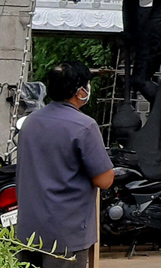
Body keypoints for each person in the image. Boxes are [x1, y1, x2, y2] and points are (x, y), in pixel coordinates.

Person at [16, 61, 114, 266]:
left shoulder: (30, 122)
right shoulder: (84, 126)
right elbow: (104, 180)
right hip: (65, 235)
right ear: (80, 92)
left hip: (29, 231)